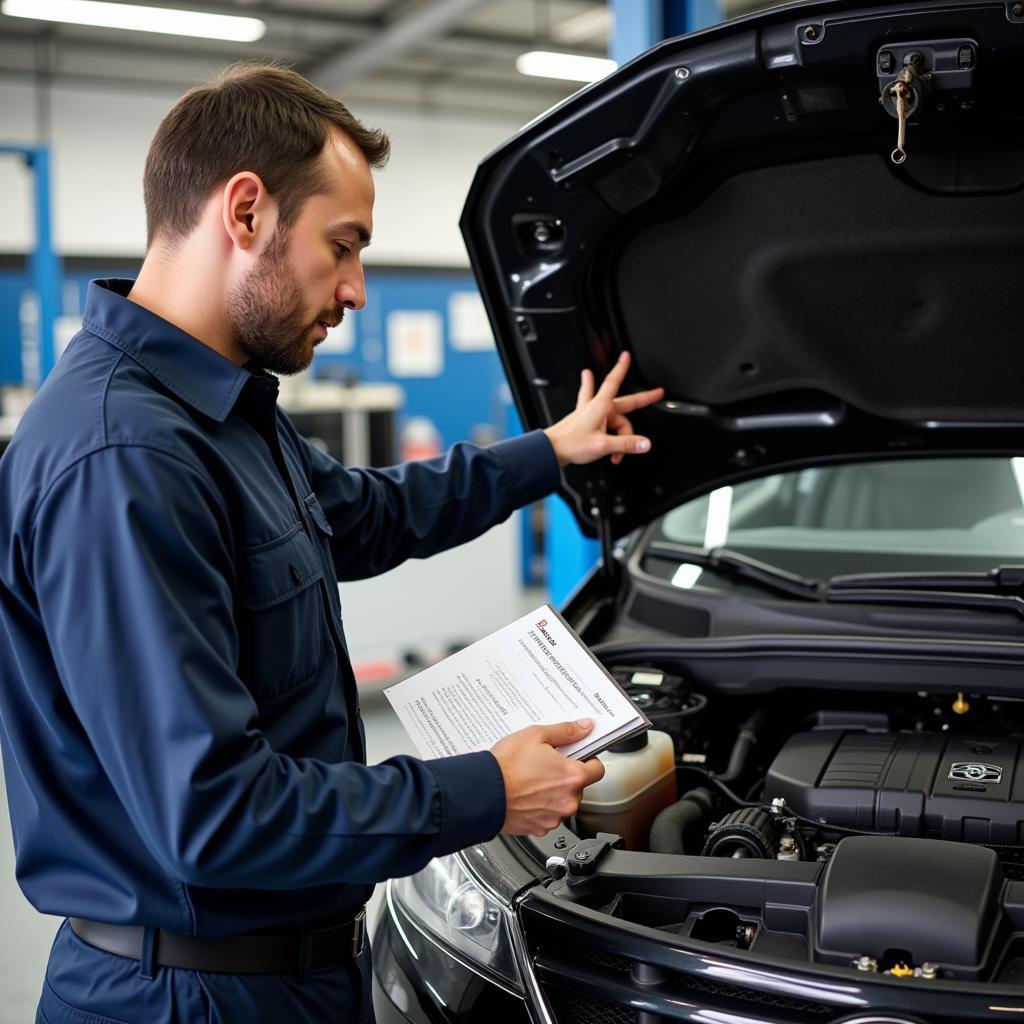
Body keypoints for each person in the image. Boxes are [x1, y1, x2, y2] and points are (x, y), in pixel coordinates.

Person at [0, 64, 664, 1024]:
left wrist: (549, 453)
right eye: (342, 245)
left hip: (286, 972)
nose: (355, 288)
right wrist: (483, 793)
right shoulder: (123, 457)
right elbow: (214, 815)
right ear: (244, 212)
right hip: (190, 998)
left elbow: (364, 513)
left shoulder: (223, 410)